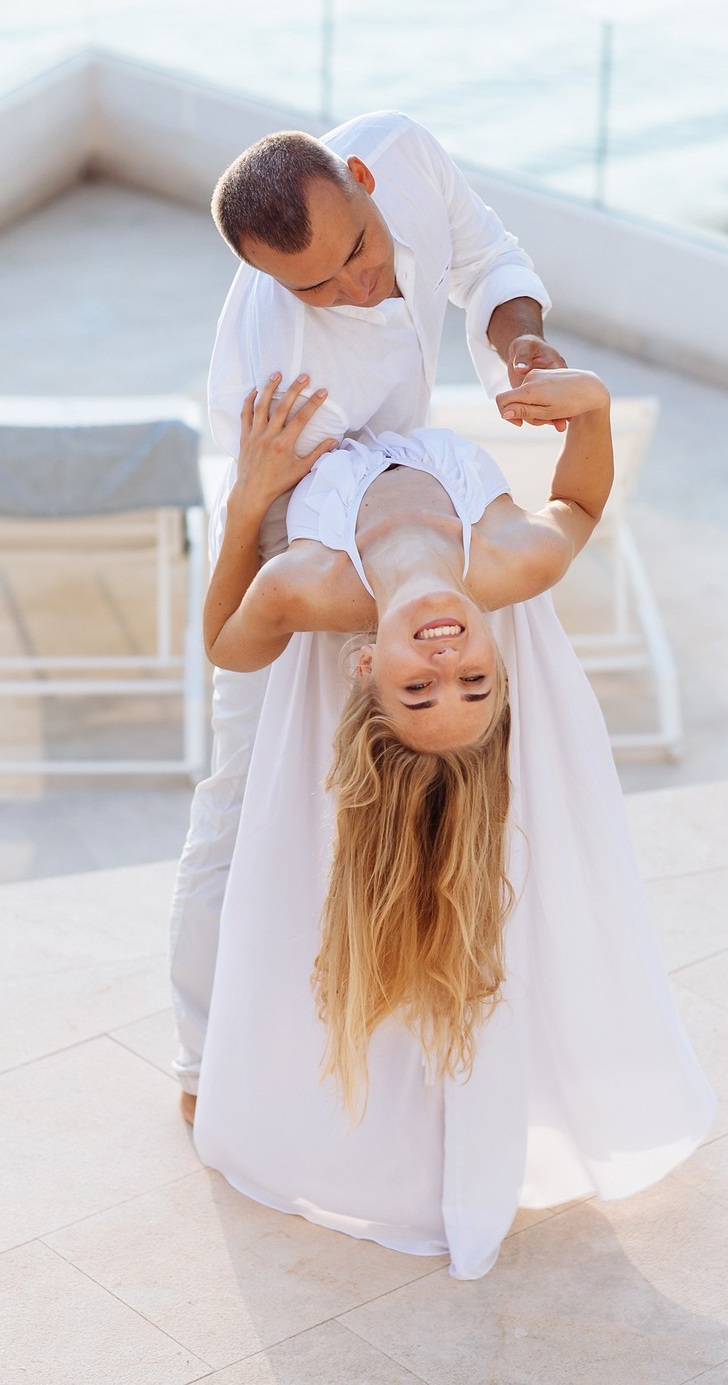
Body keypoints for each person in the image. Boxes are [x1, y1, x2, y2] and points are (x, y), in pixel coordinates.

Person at [192, 368, 716, 1280]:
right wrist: (587, 407)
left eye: (417, 688)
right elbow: (582, 501)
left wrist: (248, 496)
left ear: (363, 667)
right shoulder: (516, 563)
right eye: (473, 682)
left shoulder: (310, 586)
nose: (447, 661)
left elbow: (226, 645)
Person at [170, 110, 567, 1119]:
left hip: (408, 506)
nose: (353, 287)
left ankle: (418, 1016)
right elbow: (269, 515)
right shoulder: (275, 359)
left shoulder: (406, 152)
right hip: (293, 521)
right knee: (244, 792)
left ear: (360, 178)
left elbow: (486, 256)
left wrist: (518, 341)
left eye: (356, 252)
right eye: (316, 285)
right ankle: (203, 1051)